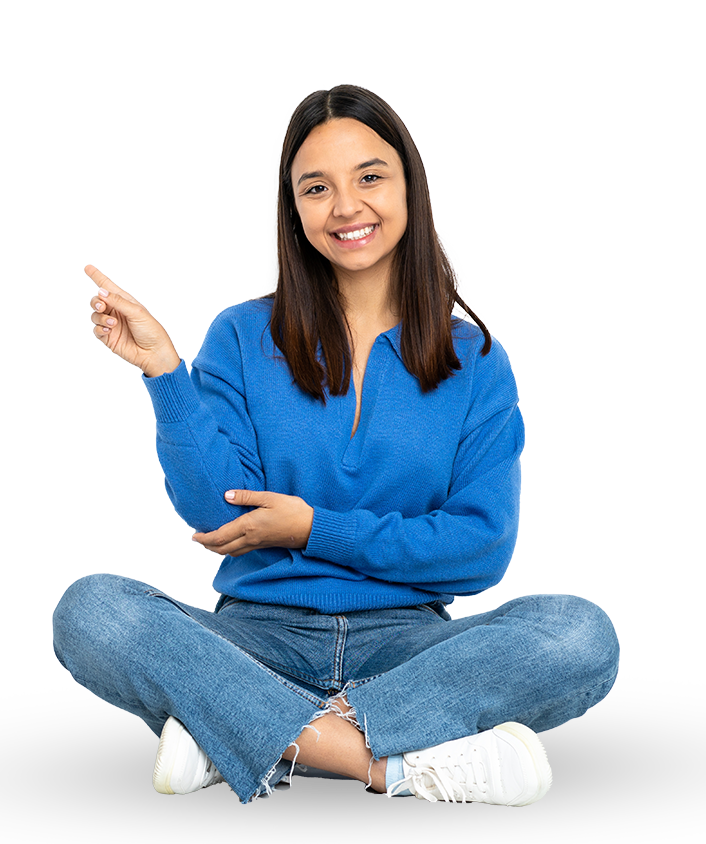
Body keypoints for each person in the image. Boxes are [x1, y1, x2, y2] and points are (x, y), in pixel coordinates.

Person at [53, 84, 619, 806]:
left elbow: (479, 549)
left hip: (409, 648)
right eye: (316, 187)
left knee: (579, 635)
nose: (346, 206)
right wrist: (165, 372)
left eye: (370, 177)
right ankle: (395, 766)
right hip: (256, 642)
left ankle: (239, 736)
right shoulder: (239, 337)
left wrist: (313, 528)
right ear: (294, 210)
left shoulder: (474, 360)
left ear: (410, 186)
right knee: (93, 610)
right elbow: (215, 513)